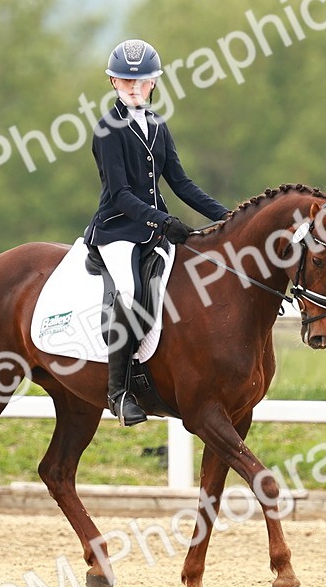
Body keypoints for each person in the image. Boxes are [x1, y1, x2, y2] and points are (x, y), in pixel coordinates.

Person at [84, 39, 229, 426]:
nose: (135, 88)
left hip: (153, 232)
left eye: (143, 82)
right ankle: (118, 392)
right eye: (127, 82)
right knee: (131, 293)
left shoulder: (157, 125)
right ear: (114, 82)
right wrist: (163, 221)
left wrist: (230, 218)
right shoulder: (107, 129)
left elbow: (180, 183)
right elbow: (120, 194)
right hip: (117, 230)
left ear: (154, 83)